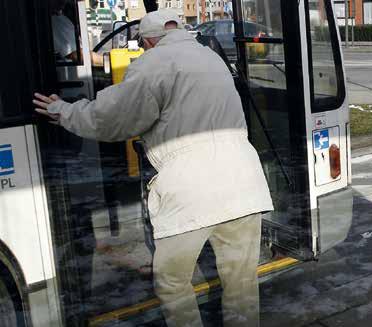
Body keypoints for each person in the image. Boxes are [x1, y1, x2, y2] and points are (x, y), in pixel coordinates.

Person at [33, 9, 273, 327]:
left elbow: (111, 118)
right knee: (241, 285)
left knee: (172, 281)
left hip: (191, 192)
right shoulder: (212, 58)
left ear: (147, 41)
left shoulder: (152, 63)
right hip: (246, 184)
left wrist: (62, 110)